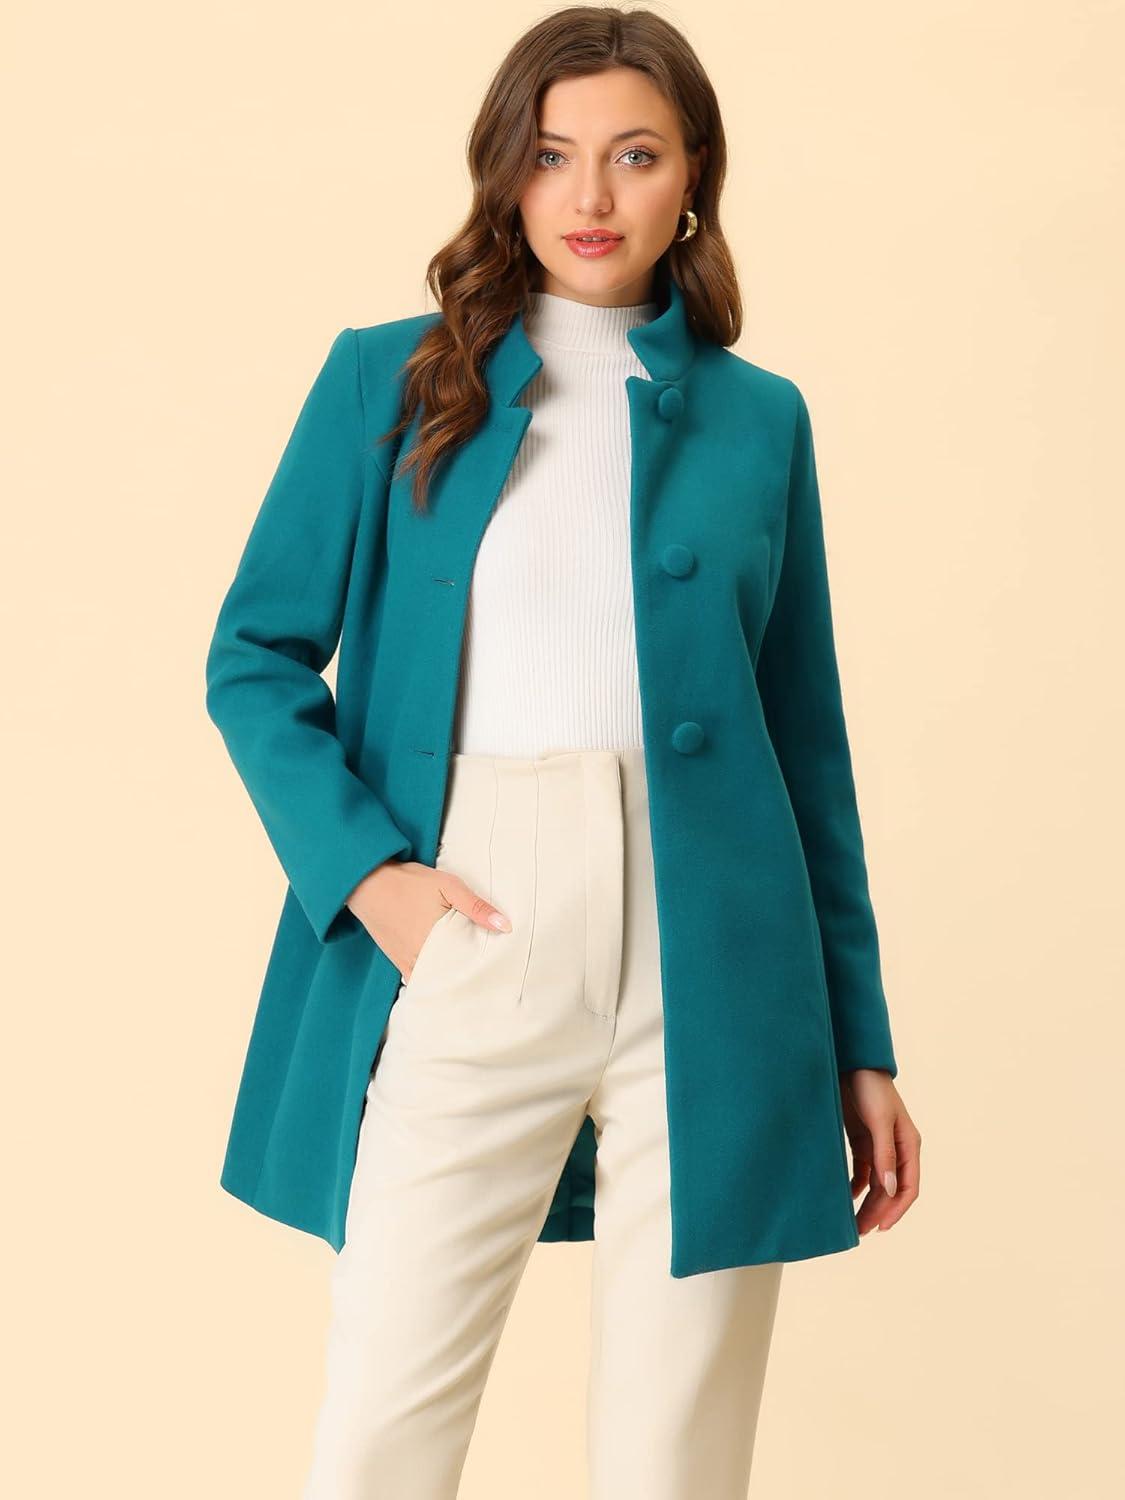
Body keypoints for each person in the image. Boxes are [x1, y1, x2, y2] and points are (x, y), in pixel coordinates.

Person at [204, 8, 922, 1497]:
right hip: (476, 910)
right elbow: (252, 658)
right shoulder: (389, 380)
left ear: (695, 173)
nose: (590, 196)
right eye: (551, 156)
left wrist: (858, 1039)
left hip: (718, 952)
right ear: (505, 174)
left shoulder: (760, 421)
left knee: (677, 1451)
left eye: (635, 156)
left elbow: (805, 740)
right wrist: (376, 883)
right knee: (385, 1422)